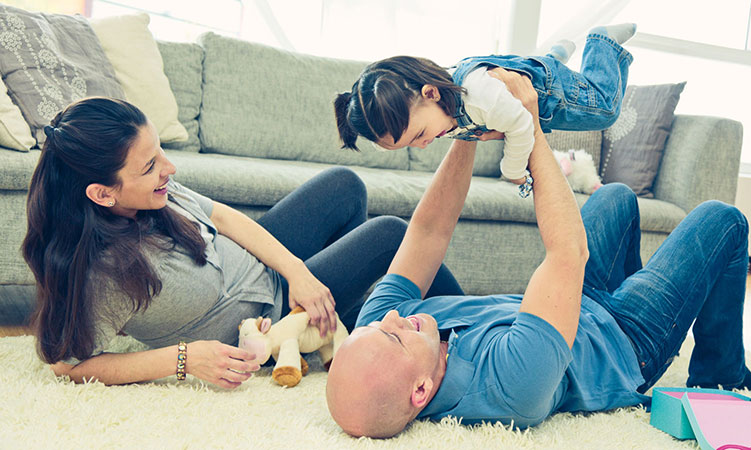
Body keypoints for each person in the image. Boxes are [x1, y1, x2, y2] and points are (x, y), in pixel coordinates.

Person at [326, 70, 751, 438]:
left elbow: (429, 230)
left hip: (572, 305)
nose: (392, 318)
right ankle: (721, 379)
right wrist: (527, 122)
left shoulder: (377, 330)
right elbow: (568, 252)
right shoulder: (510, 389)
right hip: (623, 341)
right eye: (395, 334)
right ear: (420, 391)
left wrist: (466, 124)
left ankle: (643, 292)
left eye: (383, 324)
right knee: (722, 220)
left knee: (618, 198)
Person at [21, 97, 463, 389]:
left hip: (265, 273)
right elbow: (68, 366)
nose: (170, 168)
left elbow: (221, 217)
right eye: (151, 165)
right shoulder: (100, 275)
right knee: (388, 235)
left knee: (344, 185)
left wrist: (299, 272)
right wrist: (184, 359)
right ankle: (472, 337)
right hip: (267, 322)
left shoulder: (152, 193)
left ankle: (339, 324)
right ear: (102, 193)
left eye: (159, 152)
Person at [334, 24, 635, 194]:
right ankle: (550, 57)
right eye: (409, 144)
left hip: (549, 92)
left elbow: (521, 124)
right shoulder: (437, 105)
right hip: (521, 80)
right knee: (528, 75)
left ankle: (601, 43)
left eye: (420, 135)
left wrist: (513, 171)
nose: (423, 145)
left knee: (606, 111)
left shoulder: (478, 96)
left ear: (431, 93)